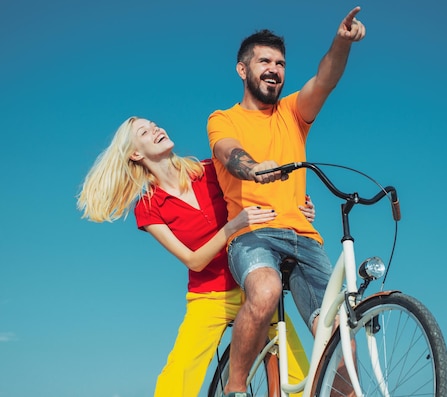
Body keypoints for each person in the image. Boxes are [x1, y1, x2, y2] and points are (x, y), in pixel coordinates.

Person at [76, 117, 312, 397]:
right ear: (135, 154)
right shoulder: (150, 208)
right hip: (209, 297)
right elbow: (194, 261)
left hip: (255, 282)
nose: (157, 129)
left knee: (300, 378)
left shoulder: (211, 170)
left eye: (155, 125)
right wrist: (234, 225)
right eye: (145, 131)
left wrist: (298, 211)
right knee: (178, 378)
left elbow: (264, 196)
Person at [207, 6, 366, 396]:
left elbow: (325, 79)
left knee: (341, 334)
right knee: (265, 292)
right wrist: (254, 168)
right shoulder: (223, 118)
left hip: (304, 238)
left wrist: (341, 43)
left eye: (279, 62)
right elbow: (229, 152)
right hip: (254, 235)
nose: (274, 69)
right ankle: (236, 388)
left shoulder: (293, 113)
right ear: (243, 70)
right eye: (264, 61)